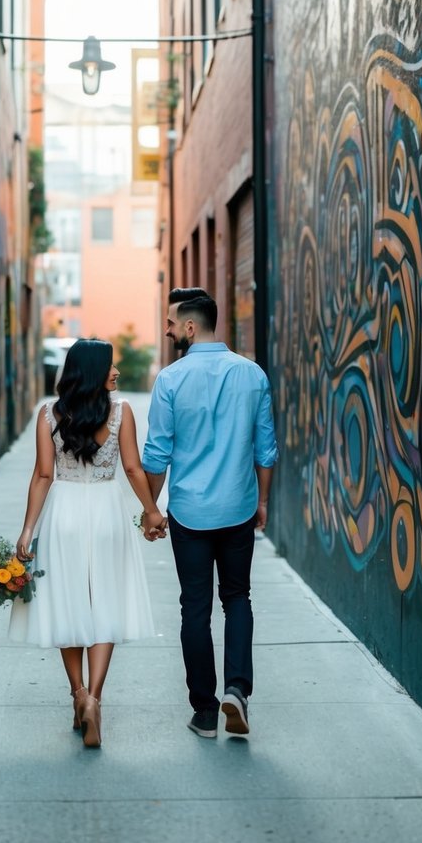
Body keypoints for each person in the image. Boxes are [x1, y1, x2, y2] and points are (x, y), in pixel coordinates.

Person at [10, 338, 168, 748]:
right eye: (111, 367)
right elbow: (133, 468)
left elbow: (43, 475)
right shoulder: (121, 413)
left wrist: (28, 529)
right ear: (95, 371)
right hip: (106, 515)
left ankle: (78, 694)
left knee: (68, 602)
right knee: (105, 605)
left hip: (63, 515)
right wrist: (151, 509)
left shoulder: (49, 413)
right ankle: (96, 699)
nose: (116, 372)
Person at [142, 288, 278, 739]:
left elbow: (157, 454)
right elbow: (266, 448)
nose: (166, 329)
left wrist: (150, 509)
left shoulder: (170, 380)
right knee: (238, 598)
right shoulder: (252, 374)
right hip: (238, 508)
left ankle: (204, 711)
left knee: (194, 610)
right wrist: (261, 501)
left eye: (169, 322)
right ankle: (237, 689)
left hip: (191, 513)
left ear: (189, 326)